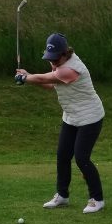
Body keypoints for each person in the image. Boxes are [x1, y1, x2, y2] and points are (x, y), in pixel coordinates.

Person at [15, 32, 106, 214]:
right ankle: (62, 195)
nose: (53, 62)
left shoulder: (72, 69)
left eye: (56, 59)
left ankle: (97, 199)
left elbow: (47, 79)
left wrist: (26, 78)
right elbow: (50, 84)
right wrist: (29, 77)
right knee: (62, 155)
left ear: (65, 54)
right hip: (71, 116)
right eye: (50, 59)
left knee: (81, 158)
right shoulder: (59, 64)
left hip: (90, 116)